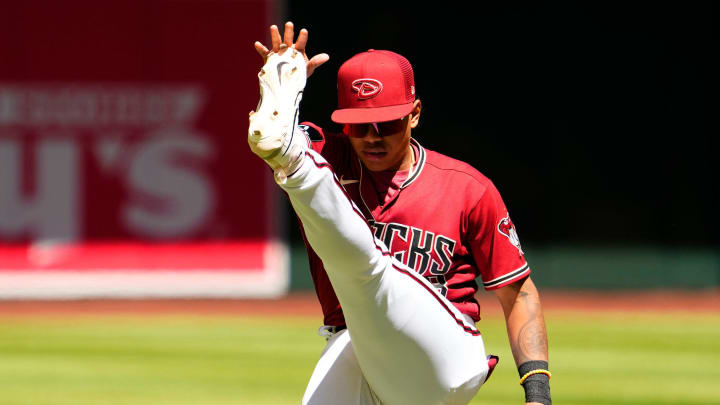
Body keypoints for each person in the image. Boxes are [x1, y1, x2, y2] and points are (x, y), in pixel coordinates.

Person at [251, 22, 551, 405]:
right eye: (359, 127)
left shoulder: (467, 188)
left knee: (369, 268)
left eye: (387, 122)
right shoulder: (329, 154)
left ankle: (296, 169)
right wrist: (281, 89)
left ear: (415, 114)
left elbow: (519, 295)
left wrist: (538, 393)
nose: (373, 136)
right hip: (357, 346)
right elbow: (274, 135)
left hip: (446, 353)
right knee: (292, 160)